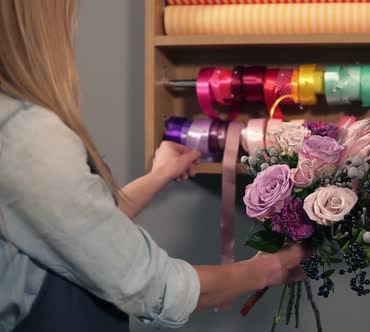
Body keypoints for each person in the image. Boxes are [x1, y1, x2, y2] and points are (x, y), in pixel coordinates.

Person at [0, 1, 310, 331]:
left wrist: (159, 175)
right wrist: (273, 267)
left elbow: (74, 226)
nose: (73, 20)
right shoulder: (24, 136)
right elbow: (155, 286)